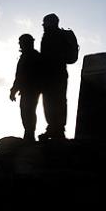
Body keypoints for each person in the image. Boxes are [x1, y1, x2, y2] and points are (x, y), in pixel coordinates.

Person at [39, 13, 70, 141]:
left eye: (45, 22)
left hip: (55, 74)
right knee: (52, 101)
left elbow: (49, 56)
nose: (43, 25)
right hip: (53, 74)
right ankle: (54, 128)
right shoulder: (49, 35)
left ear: (51, 22)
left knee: (56, 101)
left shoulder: (54, 35)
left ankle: (57, 130)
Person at [10, 34, 43, 142]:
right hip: (28, 90)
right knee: (26, 111)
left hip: (31, 90)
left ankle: (29, 134)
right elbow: (19, 76)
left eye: (21, 42)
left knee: (28, 111)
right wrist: (14, 90)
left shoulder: (32, 56)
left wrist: (14, 90)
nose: (20, 44)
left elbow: (21, 75)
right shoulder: (29, 56)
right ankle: (29, 134)